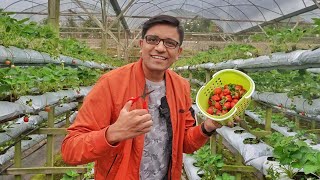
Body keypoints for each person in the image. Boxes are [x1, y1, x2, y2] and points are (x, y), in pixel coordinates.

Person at [61, 15, 238, 180]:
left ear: (178, 52)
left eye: (170, 43)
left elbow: (184, 143)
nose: (160, 48)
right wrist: (112, 133)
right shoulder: (111, 84)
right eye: (152, 40)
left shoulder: (181, 86)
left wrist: (208, 126)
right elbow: (70, 150)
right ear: (141, 44)